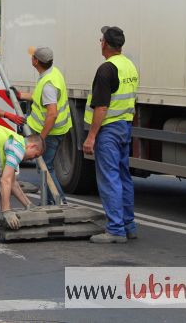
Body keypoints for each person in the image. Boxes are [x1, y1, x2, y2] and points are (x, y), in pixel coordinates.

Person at [83, 26, 139, 244]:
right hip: (124, 126)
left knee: (109, 178)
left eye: (101, 40)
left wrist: (91, 136)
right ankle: (128, 225)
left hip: (109, 130)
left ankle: (115, 229)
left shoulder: (106, 69)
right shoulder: (129, 66)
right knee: (124, 176)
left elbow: (101, 108)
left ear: (105, 43)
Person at [13, 47, 72, 204]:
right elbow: (39, 97)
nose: (31, 58)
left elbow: (52, 114)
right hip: (56, 130)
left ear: (36, 61)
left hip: (50, 133)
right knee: (45, 167)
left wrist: (41, 139)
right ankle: (50, 201)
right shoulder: (51, 74)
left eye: (32, 57)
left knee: (45, 168)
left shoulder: (48, 84)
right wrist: (21, 95)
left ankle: (59, 202)